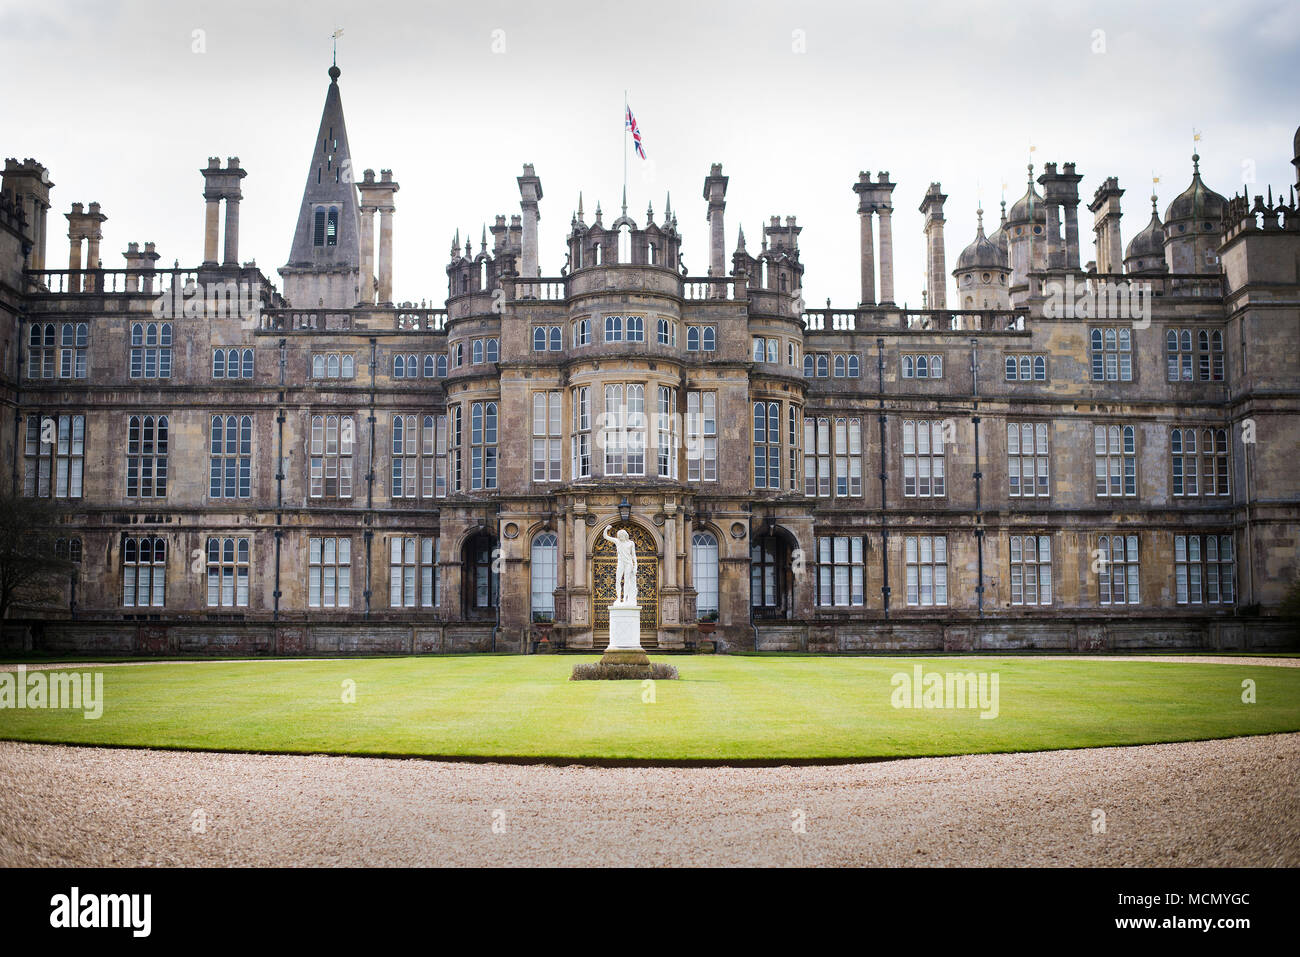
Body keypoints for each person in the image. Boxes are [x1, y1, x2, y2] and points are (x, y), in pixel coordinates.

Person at [602, 527, 638, 606]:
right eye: (619, 535)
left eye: (622, 535)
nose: (620, 537)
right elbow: (605, 536)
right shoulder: (617, 541)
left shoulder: (631, 543)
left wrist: (636, 566)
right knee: (618, 580)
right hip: (621, 563)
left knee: (627, 581)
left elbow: (633, 555)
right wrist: (606, 529)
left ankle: (625, 599)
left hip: (628, 563)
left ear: (625, 535)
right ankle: (618, 598)